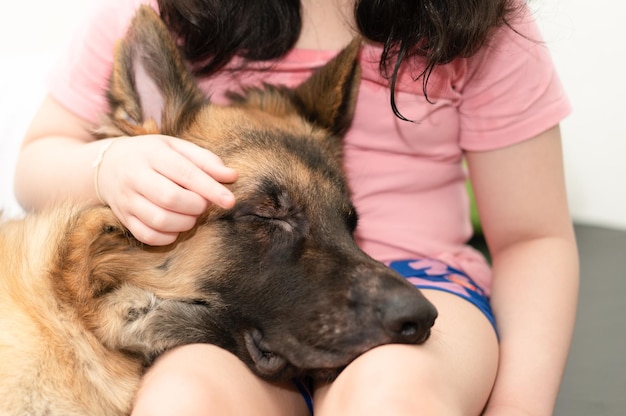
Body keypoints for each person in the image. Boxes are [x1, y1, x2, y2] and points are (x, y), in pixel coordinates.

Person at [14, 0, 579, 414]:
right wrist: (110, 164)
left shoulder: (478, 21)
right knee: (183, 398)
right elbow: (37, 163)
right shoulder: (163, 11)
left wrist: (519, 409)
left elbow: (534, 237)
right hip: (233, 311)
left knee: (392, 394)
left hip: (420, 283)